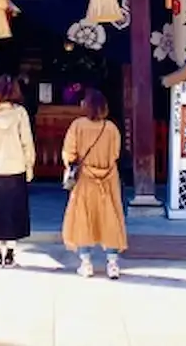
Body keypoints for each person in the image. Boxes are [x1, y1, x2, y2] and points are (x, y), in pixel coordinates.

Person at [61, 88, 127, 279]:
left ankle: (86, 263)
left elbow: (69, 153)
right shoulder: (111, 128)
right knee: (111, 217)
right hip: (108, 178)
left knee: (84, 218)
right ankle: (113, 264)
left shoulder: (77, 126)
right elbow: (115, 154)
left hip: (85, 179)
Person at [0, 74, 36, 268]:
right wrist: (29, 165)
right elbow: (26, 141)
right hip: (16, 165)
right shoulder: (20, 113)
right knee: (14, 210)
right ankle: (10, 251)